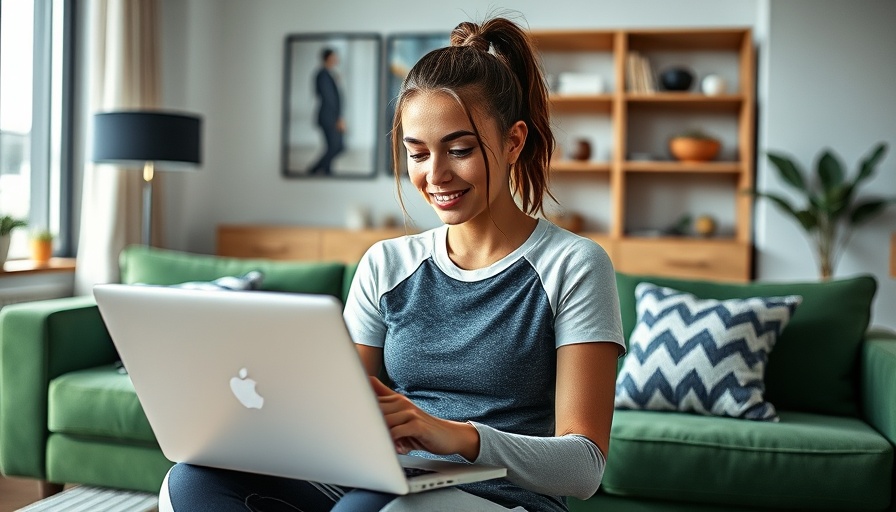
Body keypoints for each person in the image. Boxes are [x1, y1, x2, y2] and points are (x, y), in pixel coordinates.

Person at [164, 15, 624, 512]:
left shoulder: (574, 266)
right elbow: (346, 414)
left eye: (460, 149)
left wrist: (457, 436)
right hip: (383, 483)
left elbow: (583, 466)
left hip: (500, 498)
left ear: (513, 141)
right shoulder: (385, 264)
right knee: (192, 481)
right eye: (417, 153)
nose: (435, 175)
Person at [308, 47, 345, 175]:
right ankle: (314, 170)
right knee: (337, 146)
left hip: (330, 116)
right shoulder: (323, 75)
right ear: (328, 58)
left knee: (332, 146)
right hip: (328, 117)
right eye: (334, 56)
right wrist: (338, 118)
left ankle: (327, 171)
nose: (336, 59)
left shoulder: (328, 74)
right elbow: (329, 99)